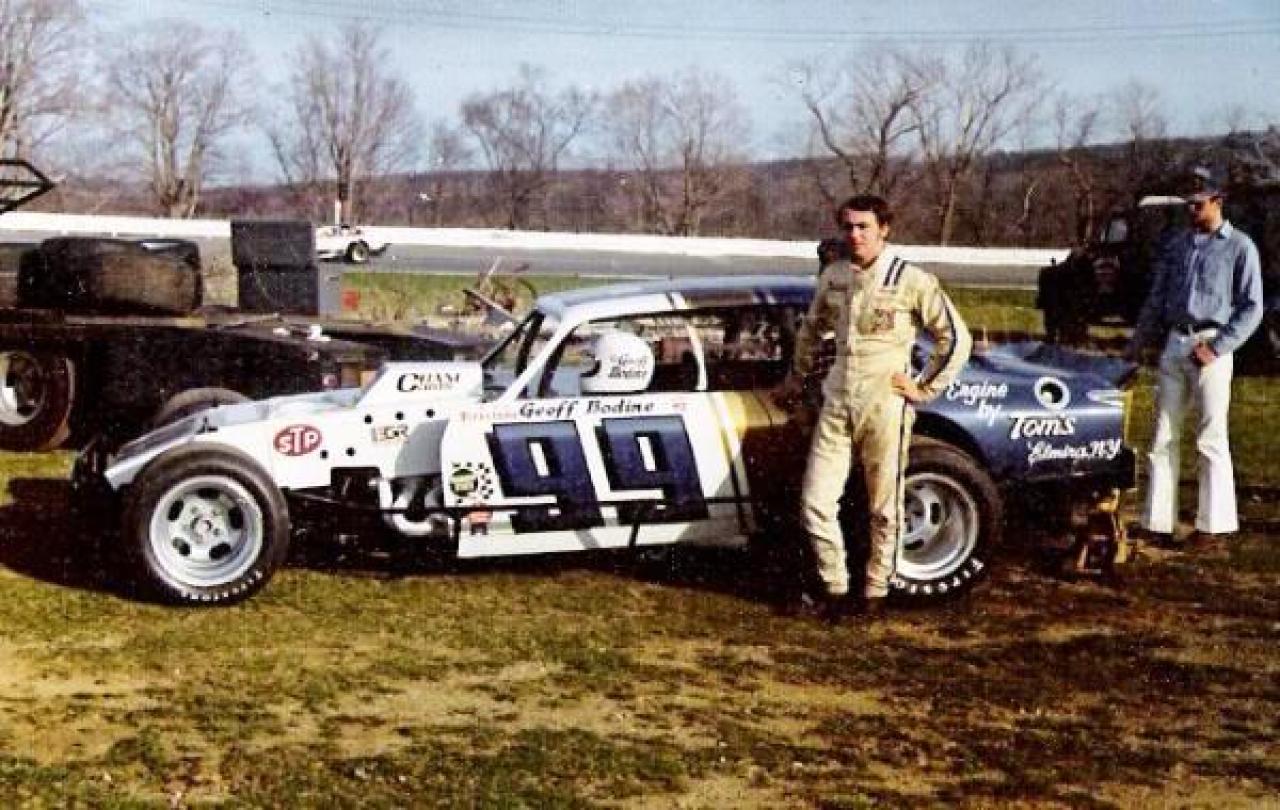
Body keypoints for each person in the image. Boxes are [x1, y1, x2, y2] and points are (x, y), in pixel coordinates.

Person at [777, 195, 972, 618]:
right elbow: (811, 332)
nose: (855, 235)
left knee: (884, 504)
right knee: (816, 501)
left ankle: (875, 591)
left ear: (884, 229)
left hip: (885, 402)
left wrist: (924, 386)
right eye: (848, 227)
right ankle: (834, 588)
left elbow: (955, 339)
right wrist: (796, 377)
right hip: (837, 399)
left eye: (864, 226)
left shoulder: (911, 279)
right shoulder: (834, 276)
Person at [1126, 171, 1264, 550]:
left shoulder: (1240, 247)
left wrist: (1218, 347)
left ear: (1218, 201)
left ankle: (1213, 526)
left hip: (1211, 345)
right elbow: (1156, 299)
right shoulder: (1177, 246)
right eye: (1188, 203)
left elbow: (1252, 307)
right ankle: (1156, 521)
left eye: (1198, 204)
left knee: (1210, 436)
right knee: (1162, 435)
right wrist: (1136, 346)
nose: (1191, 210)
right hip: (1175, 342)